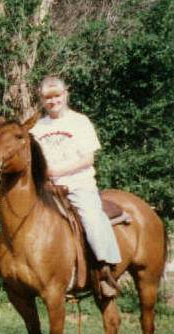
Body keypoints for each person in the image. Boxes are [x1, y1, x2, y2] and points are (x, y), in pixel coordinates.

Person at [31, 76, 121, 297]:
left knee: (91, 218)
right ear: (42, 99)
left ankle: (104, 270)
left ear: (65, 94)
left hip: (78, 185)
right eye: (47, 97)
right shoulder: (37, 127)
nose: (53, 101)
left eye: (57, 95)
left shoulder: (80, 122)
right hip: (47, 189)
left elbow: (88, 159)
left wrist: (58, 171)